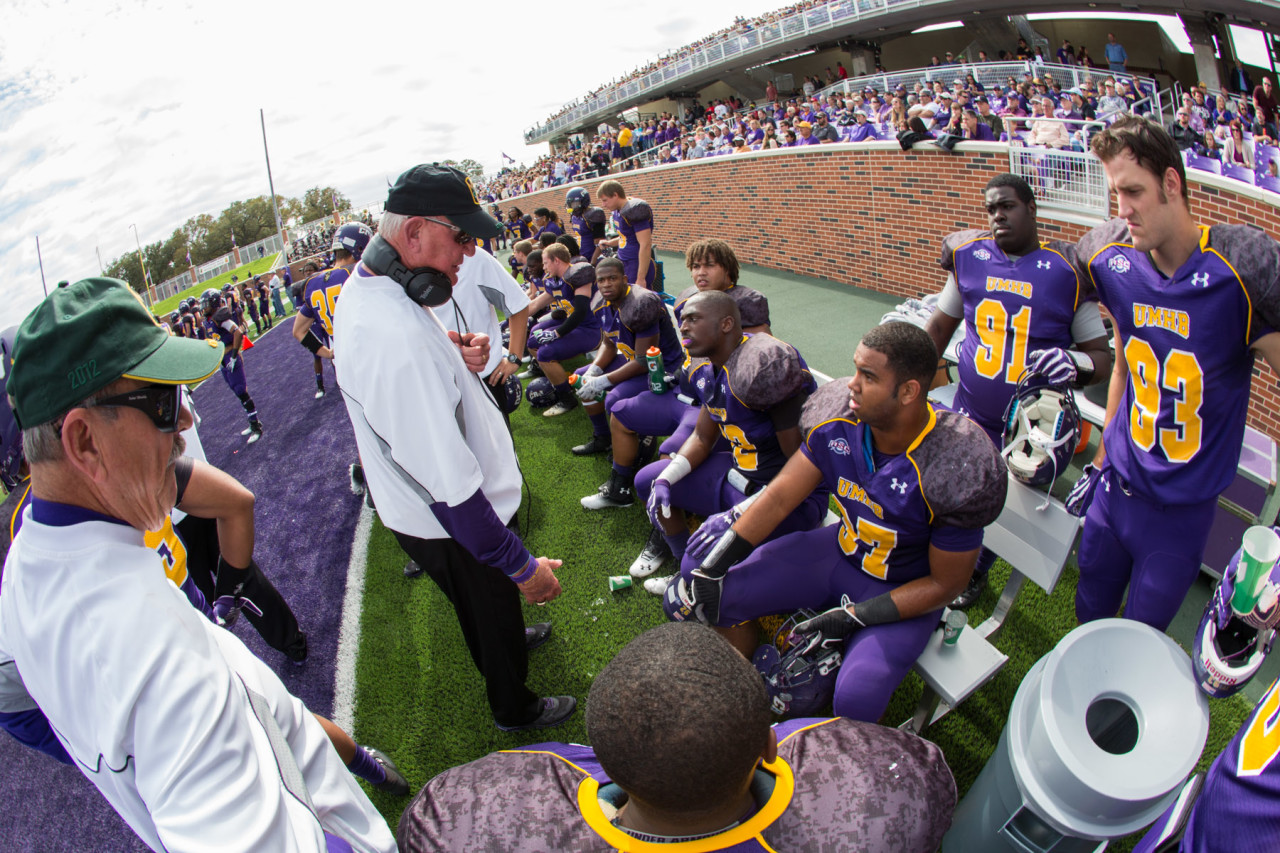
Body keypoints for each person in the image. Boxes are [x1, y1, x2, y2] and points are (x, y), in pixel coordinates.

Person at [0, 278, 397, 851]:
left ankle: (362, 761)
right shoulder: (152, 656)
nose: (185, 422)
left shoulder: (32, 561)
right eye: (161, 403)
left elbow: (18, 706)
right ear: (84, 442)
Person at [332, 163, 574, 732]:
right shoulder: (392, 339)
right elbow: (455, 496)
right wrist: (523, 569)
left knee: (488, 607)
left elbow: (411, 361)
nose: (468, 254)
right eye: (460, 238)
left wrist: (450, 349)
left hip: (427, 508)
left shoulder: (375, 292)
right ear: (414, 233)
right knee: (489, 602)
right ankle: (516, 707)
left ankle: (507, 637)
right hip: (449, 520)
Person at [665, 322, 1007, 722]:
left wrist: (852, 617)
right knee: (702, 595)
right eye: (856, 369)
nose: (852, 386)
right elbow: (778, 498)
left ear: (910, 391)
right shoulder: (837, 421)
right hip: (838, 552)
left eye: (869, 376)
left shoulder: (955, 460)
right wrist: (715, 565)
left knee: (856, 699)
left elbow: (946, 584)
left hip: (904, 586)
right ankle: (745, 684)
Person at [397, 622, 956, 851]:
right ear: (769, 745)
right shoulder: (886, 793)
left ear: (602, 767)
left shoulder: (479, 815)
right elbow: (921, 774)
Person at [1067, 116, 1280, 631]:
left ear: (1171, 183)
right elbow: (1124, 362)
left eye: (1134, 190)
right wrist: (1098, 460)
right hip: (1114, 489)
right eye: (1116, 192)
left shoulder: (1240, 268)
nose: (1124, 209)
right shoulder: (1115, 256)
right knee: (1087, 613)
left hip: (1179, 517)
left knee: (1139, 641)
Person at [924, 173, 1112, 607]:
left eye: (1007, 206)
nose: (997, 216)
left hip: (1031, 425)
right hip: (970, 408)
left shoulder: (1067, 271)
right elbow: (938, 326)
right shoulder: (968, 257)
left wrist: (1074, 363)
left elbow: (1101, 358)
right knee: (953, 492)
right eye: (990, 209)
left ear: (1031, 207)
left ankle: (978, 570)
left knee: (1005, 509)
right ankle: (950, 558)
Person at [635, 290, 826, 592]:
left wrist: (739, 514)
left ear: (726, 324)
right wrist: (667, 478)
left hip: (784, 496)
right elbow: (701, 435)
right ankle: (682, 557)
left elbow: (802, 465)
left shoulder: (762, 367)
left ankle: (696, 570)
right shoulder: (704, 367)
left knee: (695, 569)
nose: (683, 327)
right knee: (649, 480)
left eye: (694, 319)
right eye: (682, 320)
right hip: (738, 473)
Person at [571, 257, 682, 471]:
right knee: (581, 375)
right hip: (633, 359)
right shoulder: (601, 303)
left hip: (660, 367)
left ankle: (638, 442)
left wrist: (602, 381)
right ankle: (603, 437)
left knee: (614, 398)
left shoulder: (641, 303)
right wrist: (594, 370)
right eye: (601, 280)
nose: (606, 284)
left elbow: (643, 361)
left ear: (624, 279)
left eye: (612, 278)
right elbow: (609, 344)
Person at [430, 244, 531, 414]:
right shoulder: (390, 272)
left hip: (484, 378)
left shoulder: (474, 258)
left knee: (496, 440)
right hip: (433, 386)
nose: (468, 246)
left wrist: (514, 357)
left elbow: (517, 304)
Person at [294, 223, 373, 400]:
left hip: (342, 360)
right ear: (360, 248)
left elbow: (298, 331)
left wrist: (327, 353)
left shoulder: (313, 283)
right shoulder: (356, 273)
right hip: (369, 354)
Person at [528, 245, 604, 417]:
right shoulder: (555, 279)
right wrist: (513, 319)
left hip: (590, 329)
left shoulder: (578, 275)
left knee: (545, 353)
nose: (544, 267)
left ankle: (566, 398)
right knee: (532, 341)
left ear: (557, 260)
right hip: (574, 326)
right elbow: (535, 305)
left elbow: (580, 312)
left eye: (546, 262)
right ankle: (557, 379)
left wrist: (556, 333)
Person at [201, 287, 264, 444]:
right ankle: (252, 421)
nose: (204, 306)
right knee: (237, 393)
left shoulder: (219, 317)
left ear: (213, 302)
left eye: (206, 303)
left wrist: (235, 355)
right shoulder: (208, 320)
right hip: (223, 360)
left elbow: (237, 332)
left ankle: (256, 426)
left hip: (230, 356)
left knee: (242, 391)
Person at [598, 180, 656, 288]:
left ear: (615, 195)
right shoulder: (617, 210)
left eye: (605, 200)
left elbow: (646, 244)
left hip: (636, 264)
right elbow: (625, 237)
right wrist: (610, 243)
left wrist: (641, 278)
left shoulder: (634, 209)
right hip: (624, 262)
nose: (603, 204)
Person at [565, 187, 607, 263]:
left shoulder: (593, 214)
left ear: (583, 201)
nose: (572, 207)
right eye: (571, 204)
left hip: (593, 258)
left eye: (575, 204)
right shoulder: (575, 217)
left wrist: (593, 262)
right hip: (582, 257)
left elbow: (600, 243)